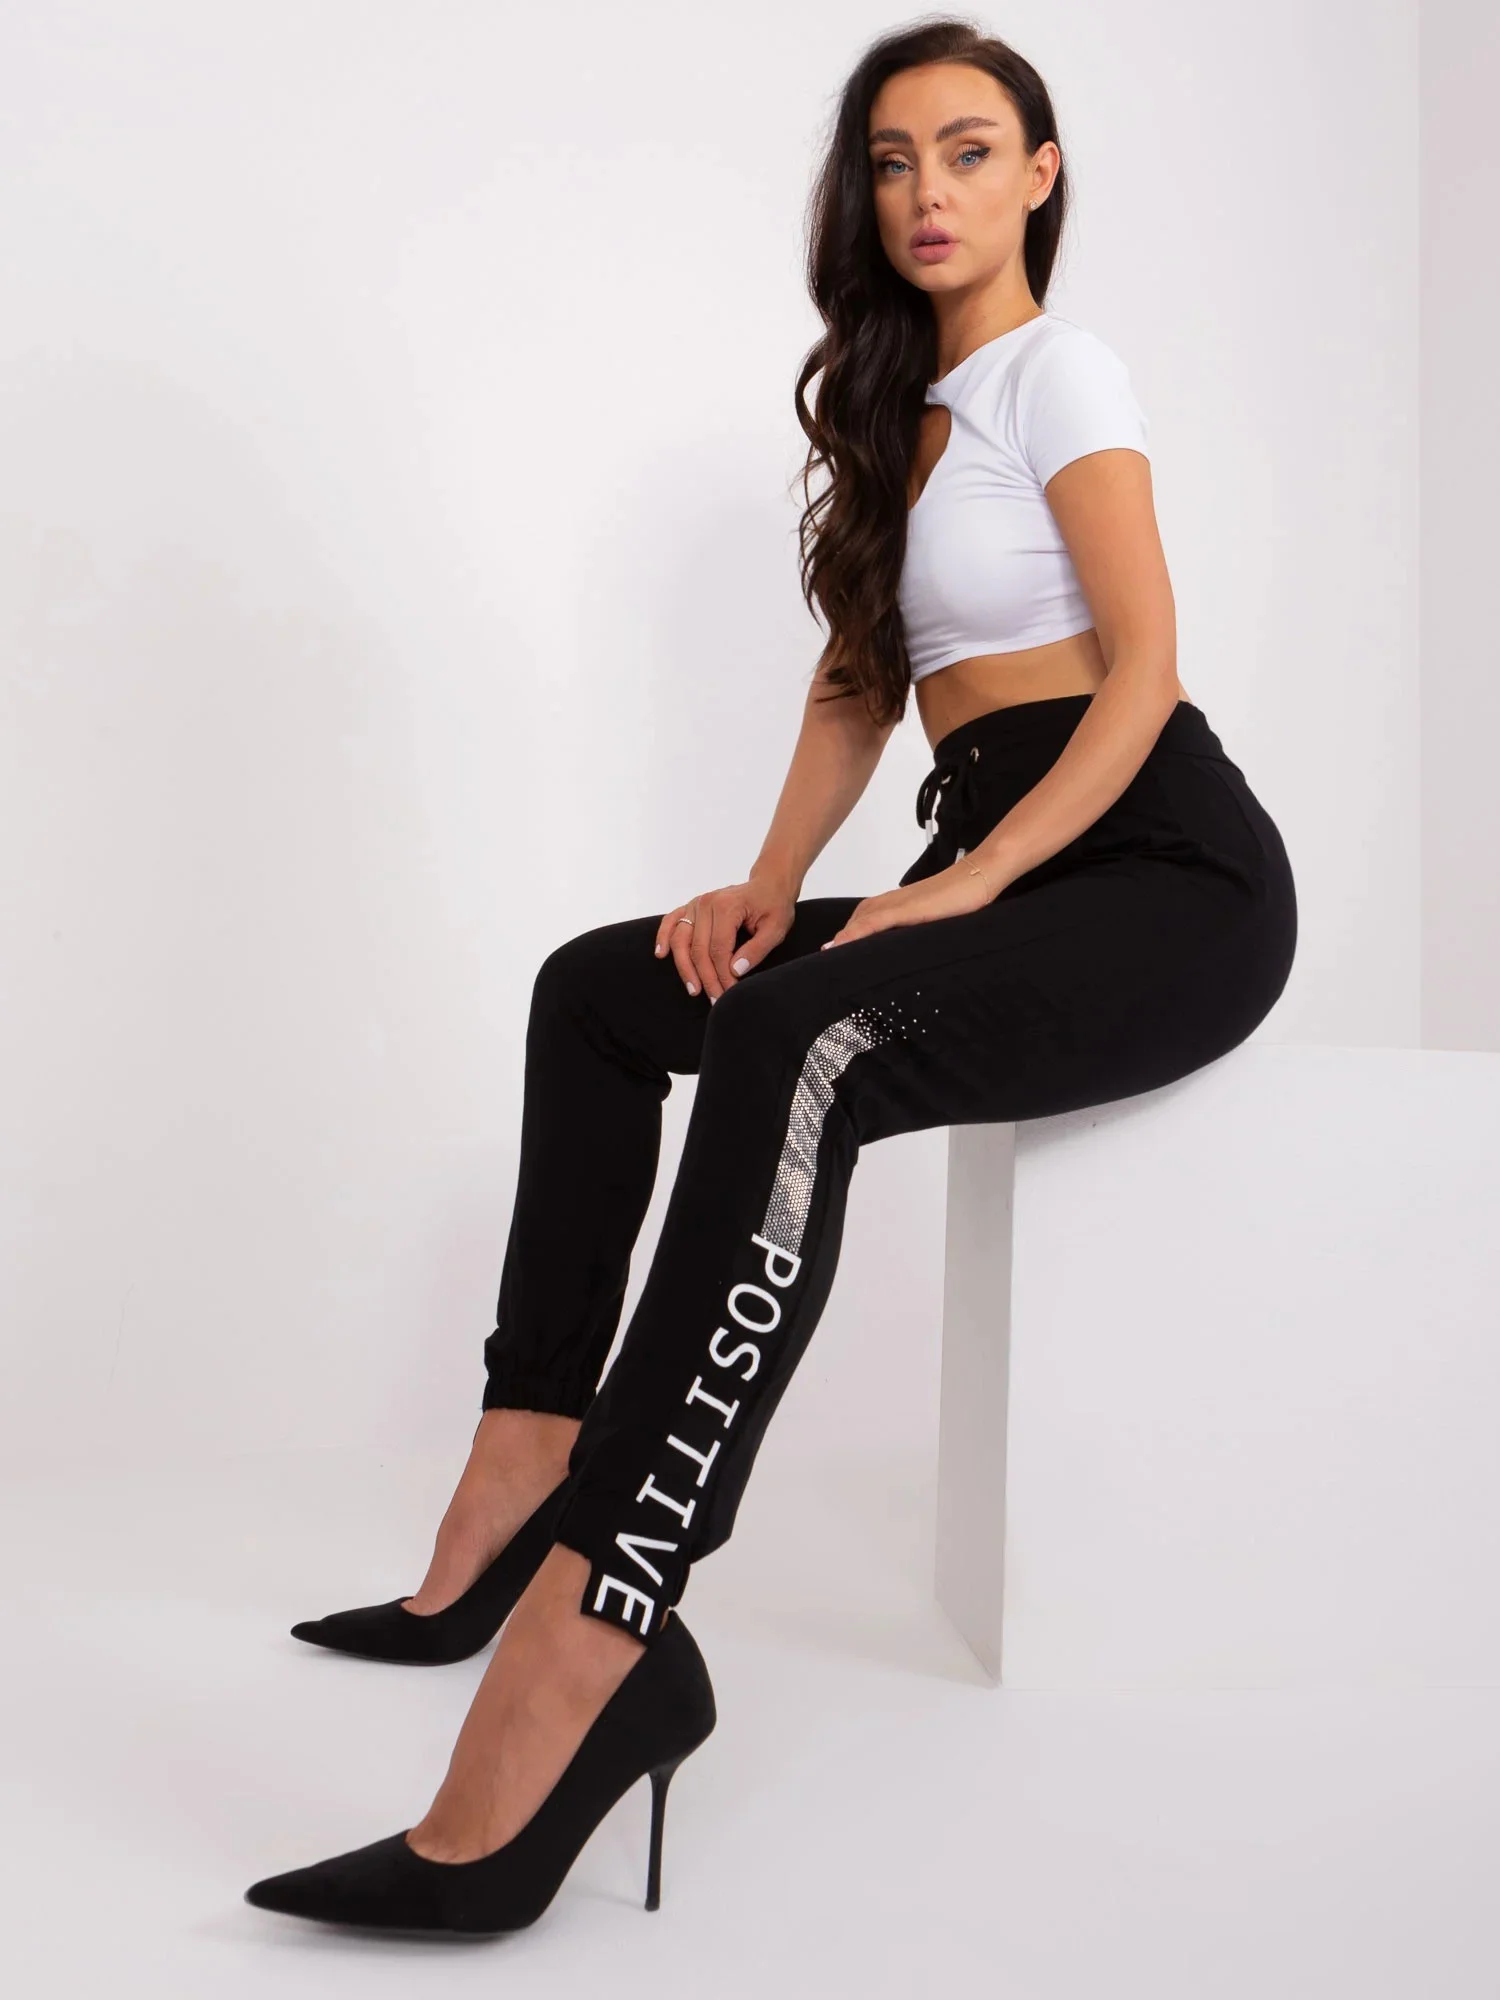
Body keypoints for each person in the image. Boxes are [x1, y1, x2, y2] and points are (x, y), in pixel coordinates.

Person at [245, 18, 1297, 1938]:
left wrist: (967, 882)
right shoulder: (903, 410)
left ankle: (601, 1625)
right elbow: (863, 683)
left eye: (968, 152)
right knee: (606, 989)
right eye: (893, 162)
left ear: (1041, 173)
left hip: (1164, 874)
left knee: (804, 1042)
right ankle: (523, 1467)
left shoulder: (1063, 372)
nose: (928, 195)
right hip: (1011, 857)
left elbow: (1143, 668)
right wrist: (770, 884)